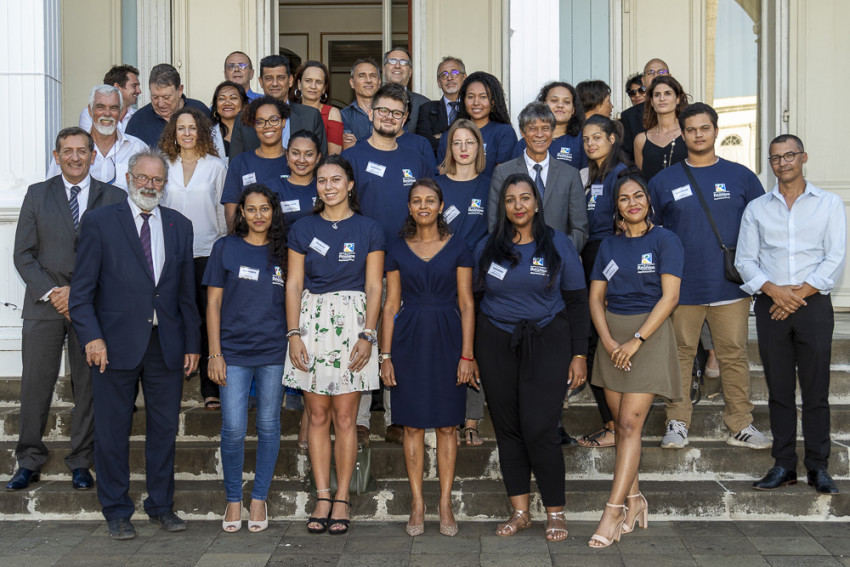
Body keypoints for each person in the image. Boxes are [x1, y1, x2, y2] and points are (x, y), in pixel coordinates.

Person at [69, 148, 201, 540]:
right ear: (128, 178)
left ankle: (161, 505)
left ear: (165, 184)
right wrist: (92, 336)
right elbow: (82, 292)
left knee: (164, 430)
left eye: (157, 179)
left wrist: (193, 343)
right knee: (111, 431)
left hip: (167, 344)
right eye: (143, 178)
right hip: (113, 345)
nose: (149, 185)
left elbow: (185, 295)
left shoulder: (180, 225)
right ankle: (116, 510)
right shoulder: (99, 222)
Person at [7, 127, 126, 492]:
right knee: (35, 386)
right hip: (45, 306)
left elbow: (119, 257)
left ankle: (81, 461)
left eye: (81, 151)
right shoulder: (37, 194)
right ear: (56, 157)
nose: (75, 157)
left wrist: (78, 295)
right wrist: (54, 291)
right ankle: (28, 460)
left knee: (89, 386)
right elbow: (23, 255)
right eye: (67, 151)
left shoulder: (114, 198)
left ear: (93, 156)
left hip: (90, 308)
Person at [648, 103, 770, 450]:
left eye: (705, 128)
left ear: (716, 131)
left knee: (733, 354)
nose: (698, 135)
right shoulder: (663, 181)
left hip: (729, 285)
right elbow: (650, 232)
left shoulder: (741, 176)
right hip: (681, 287)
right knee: (681, 355)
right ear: (682, 134)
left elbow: (762, 228)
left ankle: (741, 424)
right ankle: (677, 421)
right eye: (691, 129)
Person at [474, 173, 588, 542]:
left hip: (547, 339)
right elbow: (473, 301)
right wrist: (471, 354)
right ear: (503, 206)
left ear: (537, 202)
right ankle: (520, 512)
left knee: (540, 428)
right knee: (508, 429)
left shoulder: (558, 243)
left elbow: (576, 301)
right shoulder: (488, 246)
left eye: (525, 198)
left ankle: (556, 511)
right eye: (510, 200)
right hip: (495, 341)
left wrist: (579, 354)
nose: (518, 206)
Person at [738, 135, 846, 495]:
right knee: (779, 390)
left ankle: (818, 466)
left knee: (815, 391)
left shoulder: (829, 204)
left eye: (789, 156)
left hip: (812, 304)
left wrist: (796, 295)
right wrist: (775, 293)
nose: (783, 163)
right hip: (772, 305)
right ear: (770, 164)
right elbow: (745, 261)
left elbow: (835, 257)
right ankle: (784, 465)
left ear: (803, 157)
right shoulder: (756, 208)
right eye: (775, 158)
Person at [283, 154, 385, 535]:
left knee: (345, 418)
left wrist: (368, 334)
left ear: (350, 184)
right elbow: (293, 284)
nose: (328, 186)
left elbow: (375, 286)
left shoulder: (370, 228)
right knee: (317, 415)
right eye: (322, 181)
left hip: (354, 324)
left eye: (336, 179)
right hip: (311, 323)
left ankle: (342, 497)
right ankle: (322, 494)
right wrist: (293, 333)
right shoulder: (302, 227)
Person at [587, 172, 684, 548]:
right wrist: (611, 342)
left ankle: (612, 511)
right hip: (612, 341)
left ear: (648, 201)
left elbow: (670, 297)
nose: (632, 202)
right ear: (617, 208)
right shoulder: (608, 246)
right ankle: (634, 497)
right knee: (621, 425)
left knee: (628, 425)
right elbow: (596, 298)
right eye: (624, 198)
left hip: (649, 336)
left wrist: (636, 341)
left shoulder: (665, 239)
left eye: (638, 196)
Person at [380, 179, 476, 536]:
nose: (423, 205)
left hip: (449, 336)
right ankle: (418, 502)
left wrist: (467, 355)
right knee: (413, 425)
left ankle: (445, 501)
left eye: (430, 200)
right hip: (408, 337)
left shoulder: (459, 246)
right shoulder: (397, 248)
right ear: (409, 207)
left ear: (440, 206)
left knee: (449, 424)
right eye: (416, 200)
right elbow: (390, 304)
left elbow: (467, 303)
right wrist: (385, 355)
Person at [340, 83, 433, 444]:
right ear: (370, 113)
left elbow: (428, 208)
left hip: (407, 260)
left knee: (400, 336)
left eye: (397, 112)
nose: (389, 118)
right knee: (363, 331)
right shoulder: (353, 157)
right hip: (363, 260)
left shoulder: (416, 159)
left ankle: (399, 415)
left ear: (405, 118)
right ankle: (360, 418)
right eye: (383, 111)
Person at [204, 183, 288, 533]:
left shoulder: (285, 252)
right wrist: (215, 354)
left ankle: (259, 498)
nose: (258, 216)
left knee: (268, 426)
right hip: (233, 353)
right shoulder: (225, 247)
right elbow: (212, 305)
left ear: (273, 212)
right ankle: (233, 499)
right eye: (250, 209)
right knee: (234, 428)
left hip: (274, 352)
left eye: (264, 209)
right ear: (241, 212)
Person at [159, 107, 227, 410]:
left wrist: (222, 248)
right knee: (170, 318)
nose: (186, 133)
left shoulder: (215, 166)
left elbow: (223, 213)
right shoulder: (162, 165)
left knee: (204, 320)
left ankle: (209, 388)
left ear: (201, 131)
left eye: (192, 127)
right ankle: (168, 380)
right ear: (173, 132)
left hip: (206, 251)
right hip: (168, 254)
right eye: (181, 128)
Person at [576, 115, 629, 449]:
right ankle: (614, 423)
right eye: (585, 139)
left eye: (597, 137)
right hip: (589, 258)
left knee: (600, 345)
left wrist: (613, 280)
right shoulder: (591, 174)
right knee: (594, 343)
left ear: (612, 139)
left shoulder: (622, 174)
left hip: (608, 260)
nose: (591, 143)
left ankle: (616, 426)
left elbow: (627, 225)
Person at [434, 119, 489, 445]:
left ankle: (471, 420)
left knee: (473, 348)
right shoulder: (435, 184)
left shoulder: (490, 183)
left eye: (470, 143)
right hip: (441, 278)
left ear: (479, 148)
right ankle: (447, 419)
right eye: (458, 143)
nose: (464, 149)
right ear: (449, 148)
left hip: (480, 279)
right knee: (444, 350)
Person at [488, 101, 588, 253]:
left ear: (552, 132)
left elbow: (579, 229)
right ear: (522, 132)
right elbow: (495, 225)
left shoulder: (570, 175)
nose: (539, 134)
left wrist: (559, 254)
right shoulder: (503, 173)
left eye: (545, 128)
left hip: (558, 261)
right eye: (532, 129)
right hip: (515, 261)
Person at [50, 85, 147, 191]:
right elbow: (52, 190)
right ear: (90, 111)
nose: (107, 113)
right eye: (100, 107)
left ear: (120, 112)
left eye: (113, 108)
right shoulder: (68, 150)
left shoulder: (138, 149)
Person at [229, 54, 327, 157]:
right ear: (261, 82)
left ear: (290, 81)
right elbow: (236, 164)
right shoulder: (243, 117)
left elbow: (321, 161)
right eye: (269, 78)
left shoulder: (311, 117)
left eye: (280, 78)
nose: (275, 83)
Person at [221, 96, 291, 229]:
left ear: (283, 122)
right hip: (250, 244)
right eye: (260, 122)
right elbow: (231, 216)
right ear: (254, 125)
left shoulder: (295, 162)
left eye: (273, 120)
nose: (267, 126)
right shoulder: (240, 162)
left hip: (290, 245)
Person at [437, 72, 517, 176]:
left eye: (483, 97)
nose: (476, 102)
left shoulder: (504, 133)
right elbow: (442, 173)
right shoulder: (449, 135)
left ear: (493, 101)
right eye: (470, 97)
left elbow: (502, 178)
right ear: (463, 100)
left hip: (491, 192)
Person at [126, 63, 209, 147]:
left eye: (166, 97)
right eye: (155, 97)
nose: (161, 104)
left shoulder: (200, 111)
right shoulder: (138, 121)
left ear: (180, 90)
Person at [513, 82, 587, 170]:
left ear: (573, 109)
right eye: (554, 100)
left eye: (566, 102)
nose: (560, 105)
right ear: (543, 104)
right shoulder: (526, 142)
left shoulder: (583, 140)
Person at [634, 75, 689, 181]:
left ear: (677, 99)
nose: (662, 99)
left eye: (668, 93)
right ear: (651, 101)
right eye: (657, 95)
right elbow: (640, 182)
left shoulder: (688, 133)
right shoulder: (641, 140)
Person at [621, 58, 670, 161]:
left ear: (670, 77)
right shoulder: (629, 116)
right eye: (650, 73)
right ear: (643, 80)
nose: (656, 76)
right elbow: (627, 157)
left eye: (661, 72)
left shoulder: (684, 110)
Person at [416, 56, 467, 153]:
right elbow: (424, 143)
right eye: (444, 75)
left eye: (455, 73)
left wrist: (441, 136)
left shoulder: (472, 107)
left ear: (464, 78)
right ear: (439, 83)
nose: (449, 78)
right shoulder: (426, 108)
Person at [292, 60, 343, 155]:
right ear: (299, 84)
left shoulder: (332, 113)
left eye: (318, 82)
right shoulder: (290, 111)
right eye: (308, 81)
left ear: (324, 88)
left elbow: (333, 156)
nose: (313, 86)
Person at [277, 130, 322, 228]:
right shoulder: (273, 189)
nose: (301, 160)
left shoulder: (325, 188)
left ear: (318, 158)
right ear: (287, 156)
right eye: (295, 153)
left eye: (309, 154)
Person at [79, 65, 142, 133]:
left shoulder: (138, 116)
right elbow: (89, 141)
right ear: (117, 87)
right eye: (134, 86)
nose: (139, 91)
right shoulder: (90, 113)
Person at [382, 47, 430, 135]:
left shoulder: (424, 104)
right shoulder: (373, 101)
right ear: (384, 69)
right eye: (392, 61)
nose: (397, 66)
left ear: (410, 72)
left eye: (403, 62)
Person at [341, 58, 381, 150]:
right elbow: (349, 150)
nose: (368, 80)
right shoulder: (344, 115)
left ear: (379, 82)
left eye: (373, 75)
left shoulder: (388, 112)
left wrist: (358, 143)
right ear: (352, 83)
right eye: (362, 76)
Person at [210, 80, 249, 159]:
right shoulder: (207, 134)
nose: (227, 103)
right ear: (216, 104)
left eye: (233, 98)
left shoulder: (254, 131)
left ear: (244, 104)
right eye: (222, 99)